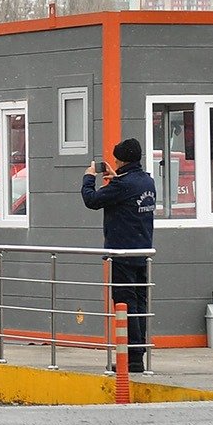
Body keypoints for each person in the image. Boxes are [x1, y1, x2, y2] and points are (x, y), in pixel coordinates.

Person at [81, 138, 157, 373]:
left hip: (122, 255)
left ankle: (131, 358)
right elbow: (129, 197)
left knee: (125, 305)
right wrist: (116, 180)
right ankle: (138, 355)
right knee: (140, 305)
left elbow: (91, 200)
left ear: (121, 161)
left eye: (116, 161)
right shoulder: (147, 181)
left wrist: (89, 178)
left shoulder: (123, 186)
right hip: (142, 253)